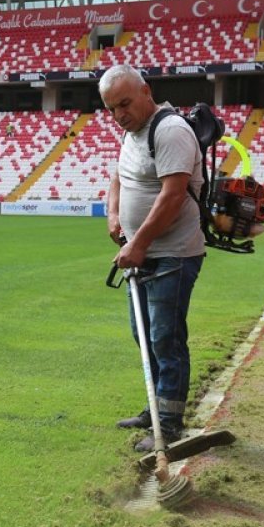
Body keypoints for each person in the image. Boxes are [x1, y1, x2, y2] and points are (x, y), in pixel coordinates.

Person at [99, 65, 206, 453]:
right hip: (143, 254)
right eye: (111, 109)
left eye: (124, 104)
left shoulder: (171, 130)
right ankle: (155, 409)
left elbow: (173, 195)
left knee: (165, 338)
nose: (119, 115)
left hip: (172, 254)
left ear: (146, 91)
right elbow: (119, 177)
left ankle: (171, 423)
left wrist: (138, 243)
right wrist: (114, 215)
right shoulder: (132, 133)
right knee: (143, 336)